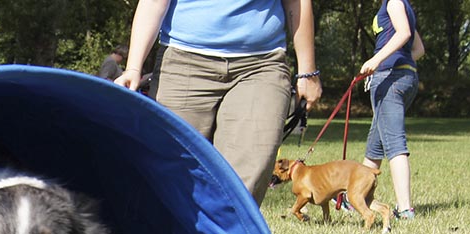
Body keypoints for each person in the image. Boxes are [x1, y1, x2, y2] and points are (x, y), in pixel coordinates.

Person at [115, 0, 322, 205]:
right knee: (172, 173)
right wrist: (133, 67)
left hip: (261, 65)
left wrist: (307, 71)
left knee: (245, 176)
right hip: (182, 62)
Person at [360, 0, 424, 221]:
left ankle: (405, 209)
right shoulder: (404, 6)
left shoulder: (394, 2)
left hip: (391, 78)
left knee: (394, 142)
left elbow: (404, 33)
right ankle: (358, 198)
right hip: (405, 76)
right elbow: (419, 49)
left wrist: (377, 61)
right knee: (375, 143)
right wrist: (399, 61)